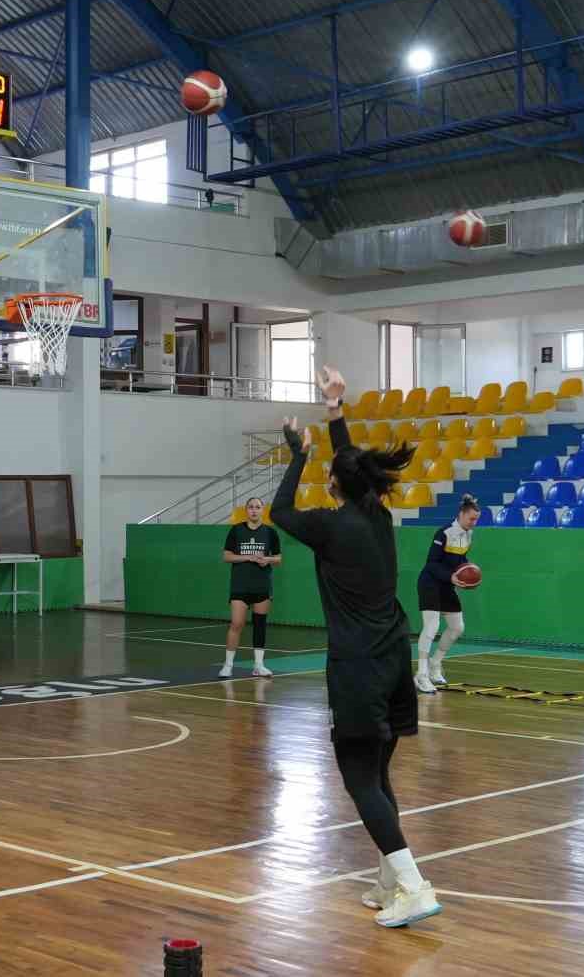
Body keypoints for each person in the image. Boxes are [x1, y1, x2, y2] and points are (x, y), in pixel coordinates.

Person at [268, 367, 440, 929]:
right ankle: (390, 881)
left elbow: (280, 512)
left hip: (358, 666)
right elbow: (352, 470)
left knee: (358, 778)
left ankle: (414, 887)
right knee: (379, 772)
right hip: (394, 657)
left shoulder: (327, 525)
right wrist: (336, 411)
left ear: (335, 487)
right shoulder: (378, 515)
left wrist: (298, 453)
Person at [413, 495, 480, 695]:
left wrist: (467, 572)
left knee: (457, 627)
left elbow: (460, 559)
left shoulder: (468, 535)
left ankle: (435, 665)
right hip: (430, 583)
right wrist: (451, 577)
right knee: (432, 626)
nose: (474, 522)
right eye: (471, 519)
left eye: (476, 519)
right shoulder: (443, 533)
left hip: (447, 584)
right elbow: (431, 564)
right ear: (461, 514)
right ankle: (422, 675)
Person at [221, 496, 281, 679]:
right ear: (246, 510)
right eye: (251, 507)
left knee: (260, 625)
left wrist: (267, 559)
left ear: (262, 510)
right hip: (240, 585)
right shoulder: (236, 530)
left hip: (262, 585)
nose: (254, 510)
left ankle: (259, 665)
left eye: (257, 507)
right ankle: (228, 665)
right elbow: (227, 556)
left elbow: (278, 559)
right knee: (236, 623)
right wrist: (248, 557)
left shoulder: (270, 533)